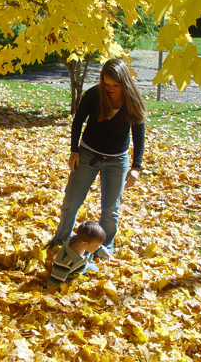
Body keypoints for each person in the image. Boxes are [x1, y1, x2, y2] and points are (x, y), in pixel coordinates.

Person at [46, 58, 147, 256]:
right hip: (87, 154)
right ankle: (60, 241)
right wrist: (74, 151)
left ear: (124, 83)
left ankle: (103, 249)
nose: (110, 89)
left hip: (116, 161)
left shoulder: (132, 100)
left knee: (111, 210)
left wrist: (136, 167)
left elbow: (139, 134)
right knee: (71, 202)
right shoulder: (94, 94)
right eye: (106, 84)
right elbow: (78, 122)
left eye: (115, 85)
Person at [47, 220, 121, 288]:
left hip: (83, 264)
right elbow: (54, 284)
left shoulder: (82, 242)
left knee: (95, 270)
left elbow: (99, 247)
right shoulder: (65, 261)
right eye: (96, 246)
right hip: (71, 275)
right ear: (85, 244)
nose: (98, 247)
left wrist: (108, 255)